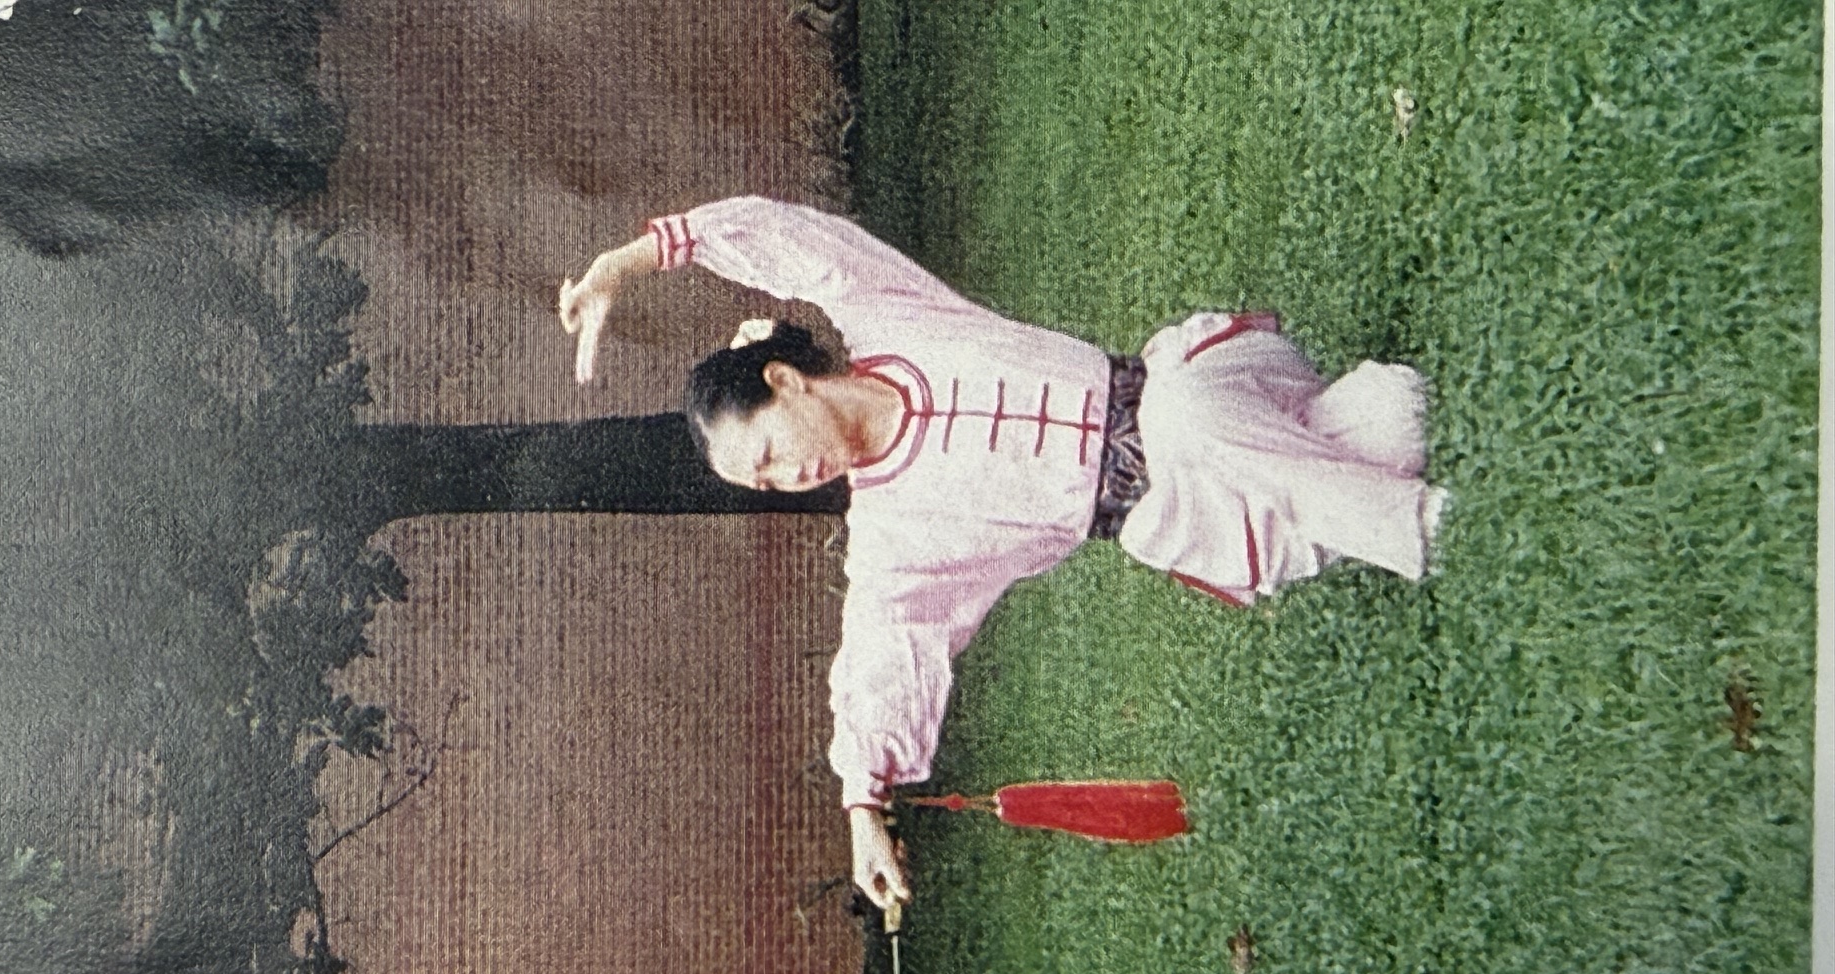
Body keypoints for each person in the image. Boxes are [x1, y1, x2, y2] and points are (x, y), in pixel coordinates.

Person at [559, 197, 1445, 912]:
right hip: (1200, 517)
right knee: (1401, 411)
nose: (792, 477)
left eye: (773, 452)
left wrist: (628, 263)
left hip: (1213, 383)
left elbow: (793, 241)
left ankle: (1424, 529)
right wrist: (862, 807)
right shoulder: (897, 543)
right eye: (770, 486)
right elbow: (878, 659)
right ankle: (1360, 469)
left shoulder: (888, 314)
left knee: (1186, 414)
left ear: (784, 382)